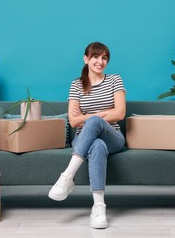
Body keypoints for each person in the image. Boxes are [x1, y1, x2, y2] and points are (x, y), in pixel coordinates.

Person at [48, 42, 126, 229]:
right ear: (86, 59)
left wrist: (88, 116)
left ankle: (67, 176)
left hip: (113, 136)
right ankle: (98, 206)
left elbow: (120, 113)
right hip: (84, 139)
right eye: (96, 57)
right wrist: (105, 112)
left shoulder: (115, 80)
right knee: (97, 146)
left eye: (104, 57)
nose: (100, 61)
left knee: (93, 122)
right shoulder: (76, 85)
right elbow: (74, 122)